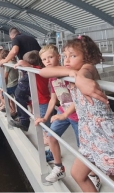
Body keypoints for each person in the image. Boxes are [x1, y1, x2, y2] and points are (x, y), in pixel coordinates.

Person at [41, 35, 114, 192]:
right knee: (77, 174)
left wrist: (81, 79)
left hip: (108, 135)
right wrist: (72, 75)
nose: (67, 60)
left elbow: (86, 73)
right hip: (88, 135)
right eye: (65, 56)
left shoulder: (87, 68)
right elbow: (44, 71)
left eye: (73, 56)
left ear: (87, 57)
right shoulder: (72, 72)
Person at [35, 45, 101, 190]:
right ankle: (59, 168)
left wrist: (65, 114)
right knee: (51, 137)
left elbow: (78, 99)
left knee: (84, 148)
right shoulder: (52, 77)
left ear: (58, 56)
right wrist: (45, 117)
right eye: (44, 59)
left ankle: (93, 175)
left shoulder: (69, 74)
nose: (47, 61)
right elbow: (53, 99)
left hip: (77, 115)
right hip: (63, 112)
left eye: (50, 57)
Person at [9, 50, 50, 132]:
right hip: (40, 100)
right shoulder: (39, 70)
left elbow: (23, 63)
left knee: (44, 122)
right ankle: (46, 136)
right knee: (43, 119)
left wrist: (19, 63)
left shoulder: (36, 70)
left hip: (42, 101)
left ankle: (47, 137)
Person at [0, 49, 18, 118]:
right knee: (12, 99)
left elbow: (5, 77)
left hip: (9, 85)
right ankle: (14, 111)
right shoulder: (15, 62)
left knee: (2, 96)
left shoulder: (8, 64)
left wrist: (3, 87)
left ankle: (11, 111)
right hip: (16, 83)